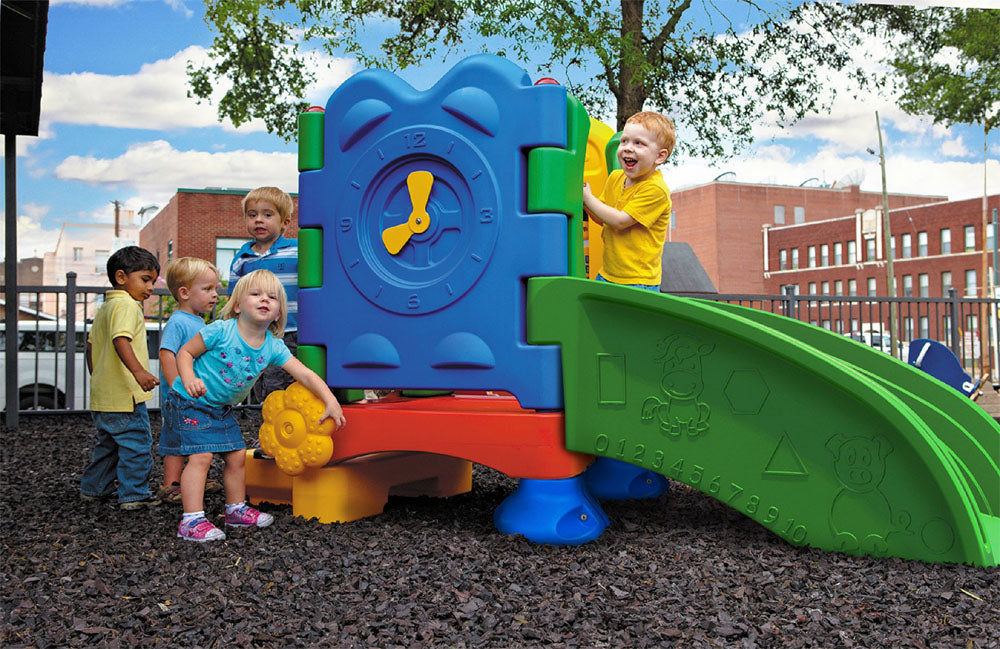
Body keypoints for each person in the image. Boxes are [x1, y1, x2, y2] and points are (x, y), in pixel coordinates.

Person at [169, 269, 347, 542]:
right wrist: (189, 378)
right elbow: (185, 352)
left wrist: (330, 401)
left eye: (272, 297)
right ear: (238, 305)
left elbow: (306, 375)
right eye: (256, 294)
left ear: (278, 313)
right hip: (190, 401)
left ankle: (235, 510)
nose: (265, 299)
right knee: (201, 457)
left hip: (221, 408)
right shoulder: (221, 330)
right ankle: (191, 521)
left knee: (238, 456)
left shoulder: (273, 347)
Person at [80, 246, 162, 510]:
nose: (150, 287)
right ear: (121, 277)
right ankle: (134, 495)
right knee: (137, 445)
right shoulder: (127, 305)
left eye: (152, 280)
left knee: (109, 446)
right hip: (126, 397)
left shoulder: (106, 308)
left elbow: (91, 346)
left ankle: (93, 489)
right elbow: (120, 339)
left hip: (104, 396)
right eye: (145, 279)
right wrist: (138, 371)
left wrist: (99, 377)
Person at [155, 257, 224, 504]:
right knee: (176, 439)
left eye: (215, 288)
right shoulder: (178, 322)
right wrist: (176, 387)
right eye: (207, 289)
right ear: (184, 293)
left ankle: (195, 479)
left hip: (195, 394)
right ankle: (171, 485)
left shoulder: (196, 321)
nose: (215, 295)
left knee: (196, 436)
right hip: (180, 396)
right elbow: (166, 354)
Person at [582, 111, 675, 292]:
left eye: (638, 143)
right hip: (607, 274)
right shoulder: (615, 178)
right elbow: (602, 217)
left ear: (660, 156)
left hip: (638, 281)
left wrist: (588, 198)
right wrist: (580, 199)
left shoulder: (655, 190)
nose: (628, 147)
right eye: (624, 141)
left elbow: (620, 221)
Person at [228, 186, 299, 402]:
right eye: (252, 215)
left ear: (285, 222)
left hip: (292, 331)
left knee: (282, 386)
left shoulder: (297, 250)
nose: (259, 220)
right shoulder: (242, 259)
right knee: (259, 384)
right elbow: (234, 301)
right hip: (256, 334)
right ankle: (267, 426)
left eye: (267, 215)